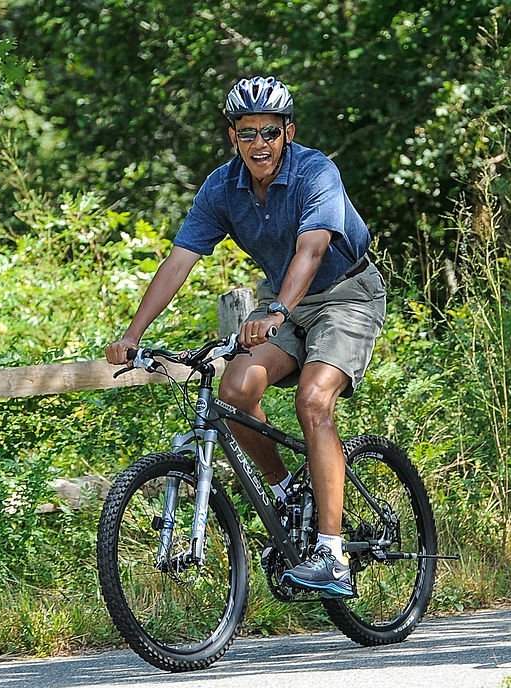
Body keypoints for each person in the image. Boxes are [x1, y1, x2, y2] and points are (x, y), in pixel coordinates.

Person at [105, 75, 386, 597]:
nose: (260, 143)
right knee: (235, 392)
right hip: (283, 304)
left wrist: (278, 309)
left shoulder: (315, 171)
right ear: (233, 135)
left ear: (288, 132)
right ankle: (282, 492)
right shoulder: (221, 187)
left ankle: (331, 554)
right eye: (248, 132)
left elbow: (313, 250)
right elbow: (178, 263)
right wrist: (132, 335)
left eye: (270, 132)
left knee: (314, 400)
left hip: (345, 295)